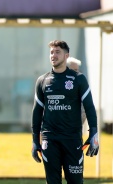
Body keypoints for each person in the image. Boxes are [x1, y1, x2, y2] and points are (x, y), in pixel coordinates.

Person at [31, 40, 99, 184]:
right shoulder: (42, 81)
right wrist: (35, 141)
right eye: (51, 52)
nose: (53, 56)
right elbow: (37, 112)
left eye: (57, 52)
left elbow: (89, 107)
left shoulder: (78, 79)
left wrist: (93, 132)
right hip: (50, 140)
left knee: (75, 181)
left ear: (66, 55)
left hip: (72, 139)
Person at [67, 57, 88, 133]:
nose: (77, 73)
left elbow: (85, 109)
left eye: (78, 70)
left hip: (74, 132)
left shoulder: (80, 87)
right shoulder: (56, 85)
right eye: (74, 70)